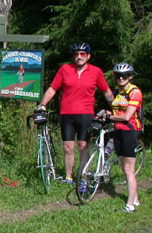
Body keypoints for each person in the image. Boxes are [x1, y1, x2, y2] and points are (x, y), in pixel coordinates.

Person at [36, 43, 113, 184]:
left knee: (83, 145)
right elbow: (52, 89)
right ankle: (68, 177)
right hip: (67, 114)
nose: (79, 57)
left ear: (88, 56)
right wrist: (42, 105)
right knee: (67, 147)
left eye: (82, 54)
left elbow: (106, 92)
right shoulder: (65, 69)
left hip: (86, 114)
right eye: (76, 54)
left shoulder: (96, 72)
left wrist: (116, 108)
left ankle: (83, 177)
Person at [100, 63, 142, 212]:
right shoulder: (117, 92)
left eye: (124, 76)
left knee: (129, 169)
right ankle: (135, 199)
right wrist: (106, 112)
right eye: (118, 76)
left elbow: (127, 116)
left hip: (130, 131)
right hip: (118, 131)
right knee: (125, 168)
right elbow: (115, 110)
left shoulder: (135, 92)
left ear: (130, 77)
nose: (121, 78)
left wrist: (111, 117)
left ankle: (130, 206)